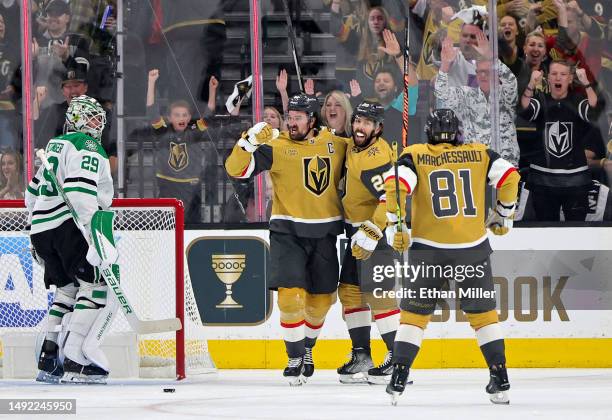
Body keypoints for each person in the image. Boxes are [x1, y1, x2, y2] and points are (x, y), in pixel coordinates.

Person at [382, 109, 520, 405]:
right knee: (483, 316)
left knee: (415, 316)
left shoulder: (415, 154)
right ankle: (500, 377)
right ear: (459, 133)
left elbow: (395, 186)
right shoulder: (480, 153)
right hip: (472, 248)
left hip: (428, 250)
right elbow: (510, 177)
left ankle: (399, 376)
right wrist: (504, 213)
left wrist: (397, 224)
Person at [225, 93, 347, 385]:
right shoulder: (276, 146)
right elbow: (235, 169)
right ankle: (294, 356)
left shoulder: (336, 144)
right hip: (287, 232)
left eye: (298, 118)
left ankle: (306, 349)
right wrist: (247, 143)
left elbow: (365, 160)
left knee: (320, 302)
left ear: (312, 120)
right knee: (291, 298)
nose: (291, 123)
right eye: (289, 117)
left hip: (326, 231)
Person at [24, 95, 114, 384]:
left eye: (98, 117)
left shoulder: (54, 145)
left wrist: (35, 230)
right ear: (76, 118)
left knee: (66, 292)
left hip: (42, 230)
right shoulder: (88, 145)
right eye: (90, 117)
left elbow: (30, 197)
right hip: (69, 227)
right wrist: (92, 234)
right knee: (96, 286)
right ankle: (76, 359)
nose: (97, 123)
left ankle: (49, 358)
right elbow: (78, 192)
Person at [336, 100, 399, 384]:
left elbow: (391, 197)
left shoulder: (374, 156)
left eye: (366, 123)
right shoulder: (354, 145)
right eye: (358, 121)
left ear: (377, 128)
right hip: (354, 233)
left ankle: (398, 361)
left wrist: (373, 231)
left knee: (379, 296)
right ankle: (362, 354)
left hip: (374, 234)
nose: (359, 127)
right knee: (350, 292)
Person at [518, 61, 604, 221]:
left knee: (576, 231)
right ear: (548, 78)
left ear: (570, 79)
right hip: (543, 182)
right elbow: (525, 108)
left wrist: (586, 82)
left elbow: (593, 108)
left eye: (563, 74)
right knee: (545, 231)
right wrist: (531, 83)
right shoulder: (541, 99)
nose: (558, 77)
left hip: (576, 182)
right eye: (554, 74)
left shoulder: (577, 100)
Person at [435, 35, 520, 166]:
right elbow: (442, 93)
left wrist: (492, 58)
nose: (483, 76)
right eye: (479, 72)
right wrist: (445, 65)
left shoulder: (506, 95)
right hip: (475, 166)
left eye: (487, 72)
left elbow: (510, 80)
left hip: (505, 165)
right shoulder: (466, 94)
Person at [146, 68, 210, 223]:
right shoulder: (163, 131)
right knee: (166, 224)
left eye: (184, 115)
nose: (181, 118)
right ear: (169, 117)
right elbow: (152, 112)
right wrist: (151, 82)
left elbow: (209, 117)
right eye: (176, 115)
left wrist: (213, 91)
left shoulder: (194, 132)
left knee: (191, 225)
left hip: (191, 186)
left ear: (189, 117)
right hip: (167, 184)